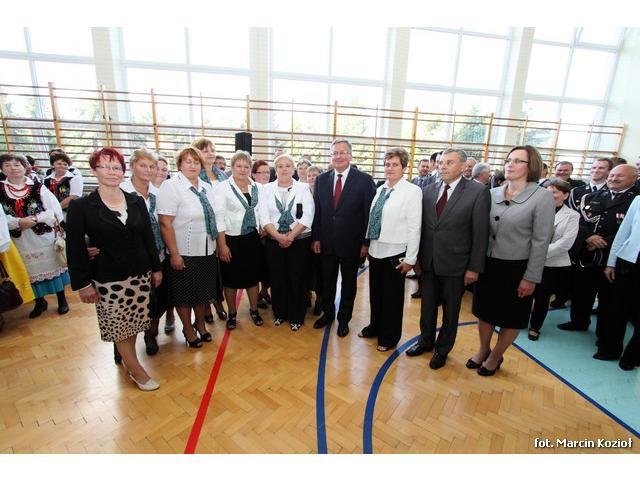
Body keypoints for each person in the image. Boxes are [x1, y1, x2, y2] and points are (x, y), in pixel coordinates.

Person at [65, 147, 162, 391]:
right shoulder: (82, 206)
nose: (111, 172)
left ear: (123, 171)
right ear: (94, 170)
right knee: (118, 325)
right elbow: (74, 247)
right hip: (107, 277)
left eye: (116, 167)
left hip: (139, 274)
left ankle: (130, 361)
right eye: (105, 166)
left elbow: (148, 238)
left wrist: (156, 268)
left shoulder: (135, 201)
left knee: (134, 323)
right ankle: (137, 371)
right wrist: (83, 283)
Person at [469, 145, 555, 376]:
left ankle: (496, 356)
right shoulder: (491, 193)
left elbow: (541, 241)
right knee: (484, 311)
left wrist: (531, 277)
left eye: (518, 161)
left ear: (531, 166)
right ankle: (484, 349)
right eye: (508, 160)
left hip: (517, 267)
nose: (510, 164)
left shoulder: (542, 197)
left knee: (511, 317)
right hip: (488, 264)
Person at [405, 148, 490, 368]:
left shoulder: (477, 192)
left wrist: (474, 268)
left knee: (451, 311)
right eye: (441, 162)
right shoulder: (428, 190)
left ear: (463, 166)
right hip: (429, 261)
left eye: (449, 162)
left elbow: (480, 233)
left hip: (457, 264)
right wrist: (417, 258)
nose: (442, 166)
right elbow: (422, 228)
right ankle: (425, 341)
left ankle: (442, 350)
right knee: (427, 307)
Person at [560, 166, 639, 354]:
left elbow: (628, 232)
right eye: (612, 175)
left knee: (609, 301)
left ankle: (604, 336)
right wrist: (588, 237)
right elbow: (578, 219)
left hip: (613, 257)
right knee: (582, 291)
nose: (613, 178)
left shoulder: (635, 199)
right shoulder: (592, 196)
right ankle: (579, 321)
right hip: (587, 254)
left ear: (634, 178)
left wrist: (603, 241)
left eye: (619, 176)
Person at [312, 138, 376, 337]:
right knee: (327, 282)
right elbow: (317, 212)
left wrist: (366, 243)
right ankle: (328, 314)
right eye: (334, 153)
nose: (338, 156)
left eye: (342, 152)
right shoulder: (321, 180)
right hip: (326, 242)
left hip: (352, 244)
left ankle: (344, 319)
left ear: (350, 155)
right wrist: (316, 238)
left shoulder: (364, 180)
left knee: (348, 284)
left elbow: (369, 215)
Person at [359, 148, 422, 351]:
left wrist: (411, 258)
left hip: (396, 252)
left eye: (395, 164)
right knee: (376, 294)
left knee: (392, 298)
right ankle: (375, 326)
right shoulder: (381, 189)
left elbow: (414, 227)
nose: (390, 168)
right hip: (376, 250)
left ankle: (389, 337)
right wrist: (367, 245)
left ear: (404, 167)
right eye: (387, 164)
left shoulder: (412, 191)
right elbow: (372, 220)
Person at [157, 147, 219, 348]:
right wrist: (174, 254)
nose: (192, 165)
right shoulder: (171, 186)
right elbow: (165, 223)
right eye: (188, 161)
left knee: (202, 293)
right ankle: (187, 328)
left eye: (196, 162)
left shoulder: (206, 187)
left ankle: (200, 324)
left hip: (206, 250)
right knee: (184, 295)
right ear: (179, 165)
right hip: (183, 251)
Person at [0, 153, 70, 318]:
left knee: (54, 265)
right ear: (2, 169)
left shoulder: (38, 187)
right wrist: (18, 222)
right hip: (20, 238)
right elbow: (1, 216)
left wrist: (34, 219)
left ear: (24, 167)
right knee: (29, 269)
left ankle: (62, 299)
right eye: (7, 165)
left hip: (43, 236)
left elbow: (53, 210)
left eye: (17, 164)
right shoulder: (1, 190)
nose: (13, 168)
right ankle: (40, 302)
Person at [120, 148, 168, 356]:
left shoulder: (158, 194)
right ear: (132, 166)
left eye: (152, 166)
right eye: (143, 165)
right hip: (131, 259)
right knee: (129, 303)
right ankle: (121, 344)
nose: (148, 170)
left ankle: (151, 334)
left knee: (156, 300)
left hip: (158, 255)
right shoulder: (121, 192)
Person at [259, 154, 315, 331]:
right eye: (280, 166)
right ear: (276, 170)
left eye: (288, 166)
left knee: (297, 279)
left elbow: (308, 215)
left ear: (293, 169)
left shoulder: (303, 188)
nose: (284, 169)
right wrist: (278, 236)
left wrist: (290, 236)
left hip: (299, 241)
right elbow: (263, 216)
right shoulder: (266, 189)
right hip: (274, 241)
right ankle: (280, 313)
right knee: (277, 278)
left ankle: (296, 316)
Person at [550, 157, 613, 310]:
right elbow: (573, 216)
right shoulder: (577, 191)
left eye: (601, 168)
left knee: (588, 288)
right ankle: (566, 305)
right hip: (577, 242)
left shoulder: (611, 193)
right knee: (570, 280)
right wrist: (588, 236)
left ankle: (582, 315)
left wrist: (597, 239)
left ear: (609, 171)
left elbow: (609, 220)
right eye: (594, 167)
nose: (596, 171)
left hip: (600, 248)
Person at [214, 150, 264, 329]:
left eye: (246, 166)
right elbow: (219, 218)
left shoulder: (257, 187)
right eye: (239, 166)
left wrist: (263, 226)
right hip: (231, 239)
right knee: (231, 280)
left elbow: (260, 211)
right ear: (232, 167)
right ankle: (232, 313)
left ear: (250, 168)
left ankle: (254, 310)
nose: (243, 169)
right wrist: (222, 245)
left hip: (252, 238)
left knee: (253, 277)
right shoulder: (222, 188)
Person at [527, 179, 579, 340]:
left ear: (565, 195)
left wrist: (538, 253)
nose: (550, 195)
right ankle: (518, 320)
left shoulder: (572, 216)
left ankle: (535, 326)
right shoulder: (534, 209)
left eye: (555, 192)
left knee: (542, 297)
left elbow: (565, 243)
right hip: (528, 259)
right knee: (524, 293)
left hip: (552, 264)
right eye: (548, 191)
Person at [191, 137, 228, 323]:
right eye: (205, 150)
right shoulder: (193, 176)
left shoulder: (222, 175)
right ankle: (205, 306)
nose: (210, 153)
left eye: (212, 150)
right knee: (204, 273)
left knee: (219, 272)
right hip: (202, 232)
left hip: (222, 230)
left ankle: (218, 302)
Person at [604, 195, 640, 370]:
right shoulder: (638, 200)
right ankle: (611, 350)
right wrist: (611, 262)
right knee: (618, 308)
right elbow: (623, 232)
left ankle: (632, 357)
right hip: (629, 261)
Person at [251, 159, 273, 308]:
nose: (265, 175)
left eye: (267, 172)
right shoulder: (251, 189)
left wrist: (267, 229)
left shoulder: (273, 188)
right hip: (253, 235)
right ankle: (257, 296)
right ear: (253, 175)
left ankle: (264, 291)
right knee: (256, 267)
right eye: (261, 172)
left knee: (268, 267)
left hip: (270, 234)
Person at [43, 149, 84, 219]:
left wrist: (56, 209)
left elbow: (74, 196)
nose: (62, 166)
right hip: (52, 213)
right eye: (59, 164)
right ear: (53, 165)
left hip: (71, 212)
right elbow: (45, 196)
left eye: (65, 164)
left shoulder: (74, 177)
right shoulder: (47, 179)